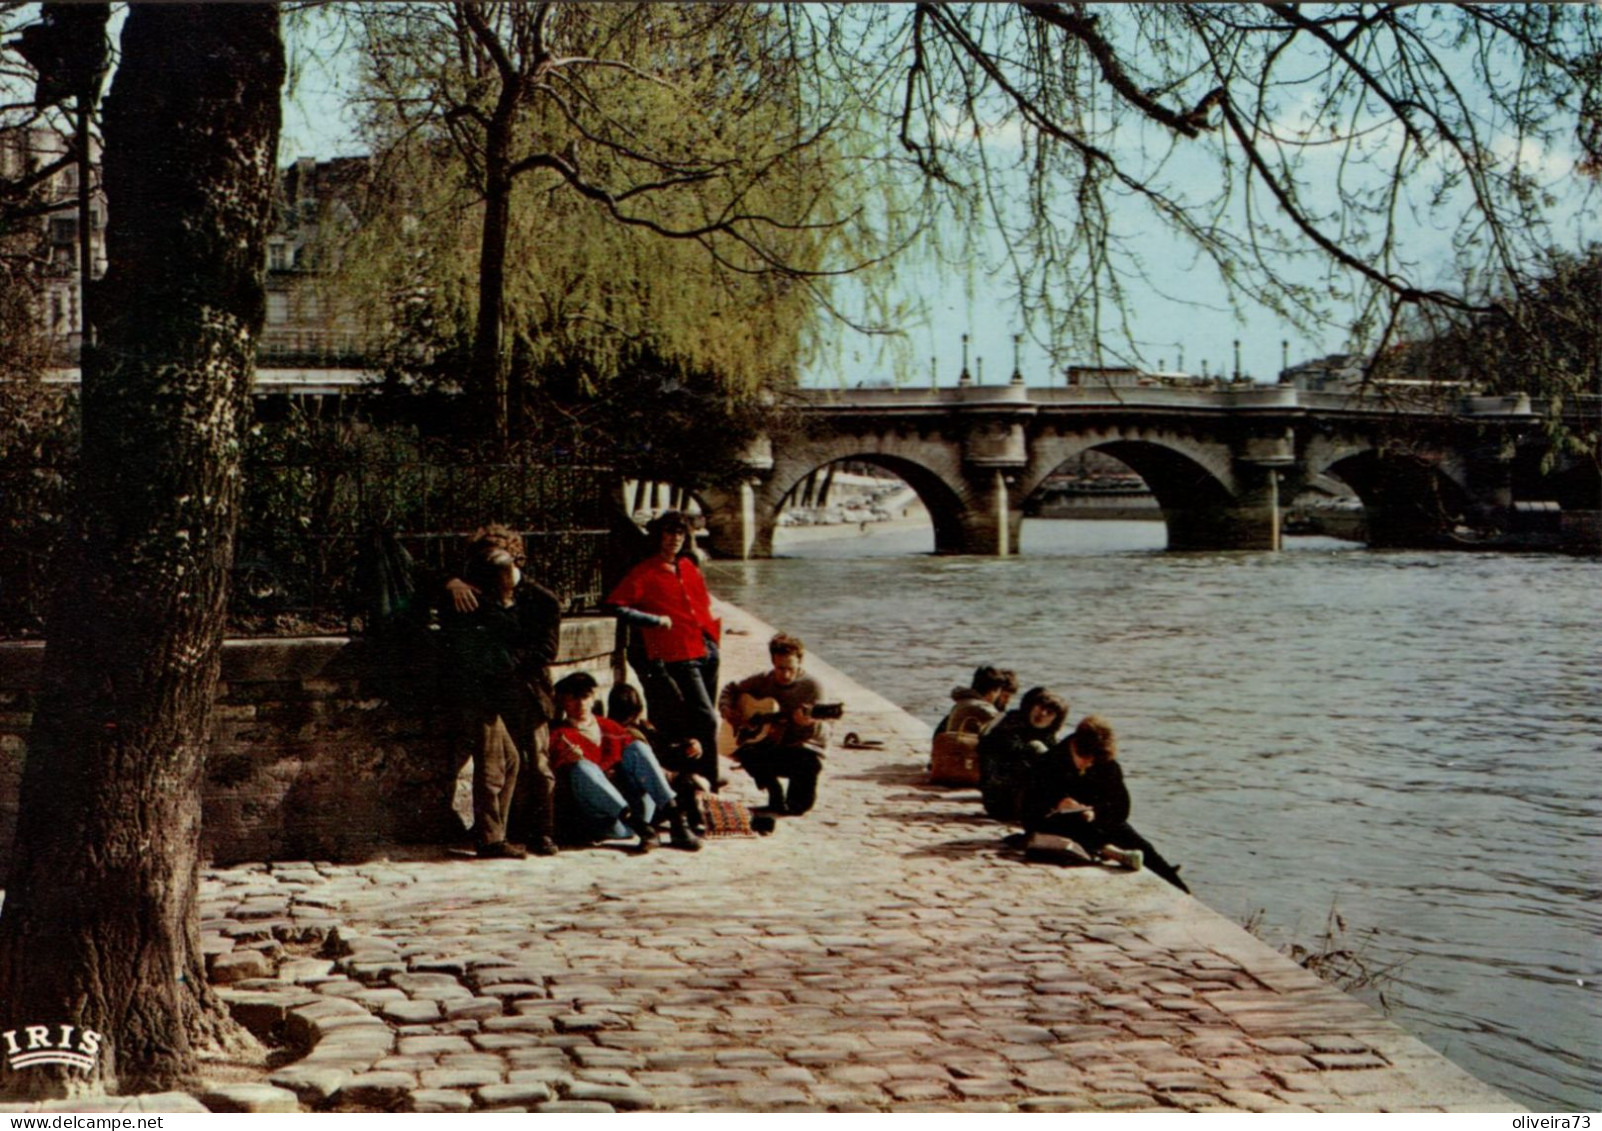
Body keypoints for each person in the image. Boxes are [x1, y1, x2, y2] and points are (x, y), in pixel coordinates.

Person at [438, 526, 562, 859]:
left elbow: (545, 650)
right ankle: (492, 838)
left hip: (526, 689)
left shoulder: (541, 599)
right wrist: (449, 582)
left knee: (537, 764)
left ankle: (542, 833)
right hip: (486, 692)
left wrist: (501, 662)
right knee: (497, 763)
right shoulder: (475, 590)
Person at [606, 512, 723, 790]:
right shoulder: (645, 571)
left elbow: (702, 605)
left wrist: (712, 640)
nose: (674, 540)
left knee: (701, 717)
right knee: (705, 717)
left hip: (704, 649)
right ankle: (710, 779)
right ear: (659, 537)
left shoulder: (688, 567)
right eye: (669, 534)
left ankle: (694, 774)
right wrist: (653, 621)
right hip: (676, 653)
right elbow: (616, 605)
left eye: (680, 534)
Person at [1025, 715, 1189, 892]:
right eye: (1085, 758)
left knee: (1135, 840)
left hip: (1095, 821)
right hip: (1056, 823)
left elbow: (1121, 808)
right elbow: (1028, 812)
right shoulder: (1048, 763)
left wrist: (1096, 813)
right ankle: (1109, 851)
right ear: (1074, 746)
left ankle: (1175, 883)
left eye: (1093, 760)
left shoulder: (1105, 763)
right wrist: (1055, 804)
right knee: (1079, 828)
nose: (1089, 764)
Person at [549, 672, 702, 853]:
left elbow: (641, 763)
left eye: (585, 697)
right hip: (605, 820)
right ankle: (643, 830)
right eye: (573, 699)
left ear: (593, 698)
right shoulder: (559, 735)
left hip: (640, 811)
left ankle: (677, 821)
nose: (580, 704)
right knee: (581, 767)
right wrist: (566, 764)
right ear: (563, 702)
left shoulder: (609, 726)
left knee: (637, 747)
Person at [719, 633, 832, 816]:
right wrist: (727, 710)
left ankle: (794, 798)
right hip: (772, 745)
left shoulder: (813, 686)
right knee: (743, 749)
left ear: (800, 662)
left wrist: (804, 723)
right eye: (780, 668)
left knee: (798, 806)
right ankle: (774, 791)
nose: (785, 675)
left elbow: (819, 732)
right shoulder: (762, 681)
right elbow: (730, 689)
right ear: (773, 662)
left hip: (804, 748)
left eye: (790, 669)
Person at [607, 681, 708, 834]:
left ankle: (690, 820)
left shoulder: (642, 727)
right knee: (686, 783)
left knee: (688, 781)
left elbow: (665, 746)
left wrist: (688, 745)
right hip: (637, 795)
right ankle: (685, 822)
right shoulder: (617, 734)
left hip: (653, 791)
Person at [977, 685, 1068, 821]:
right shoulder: (1010, 725)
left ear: (1055, 720)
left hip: (1022, 798)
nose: (1042, 714)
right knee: (1036, 749)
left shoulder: (1047, 735)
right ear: (1031, 706)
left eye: (1049, 712)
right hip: (1001, 800)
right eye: (1040, 707)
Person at [929, 666, 1018, 786]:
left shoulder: (963, 702)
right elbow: (1007, 730)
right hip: (964, 764)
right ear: (993, 691)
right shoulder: (982, 708)